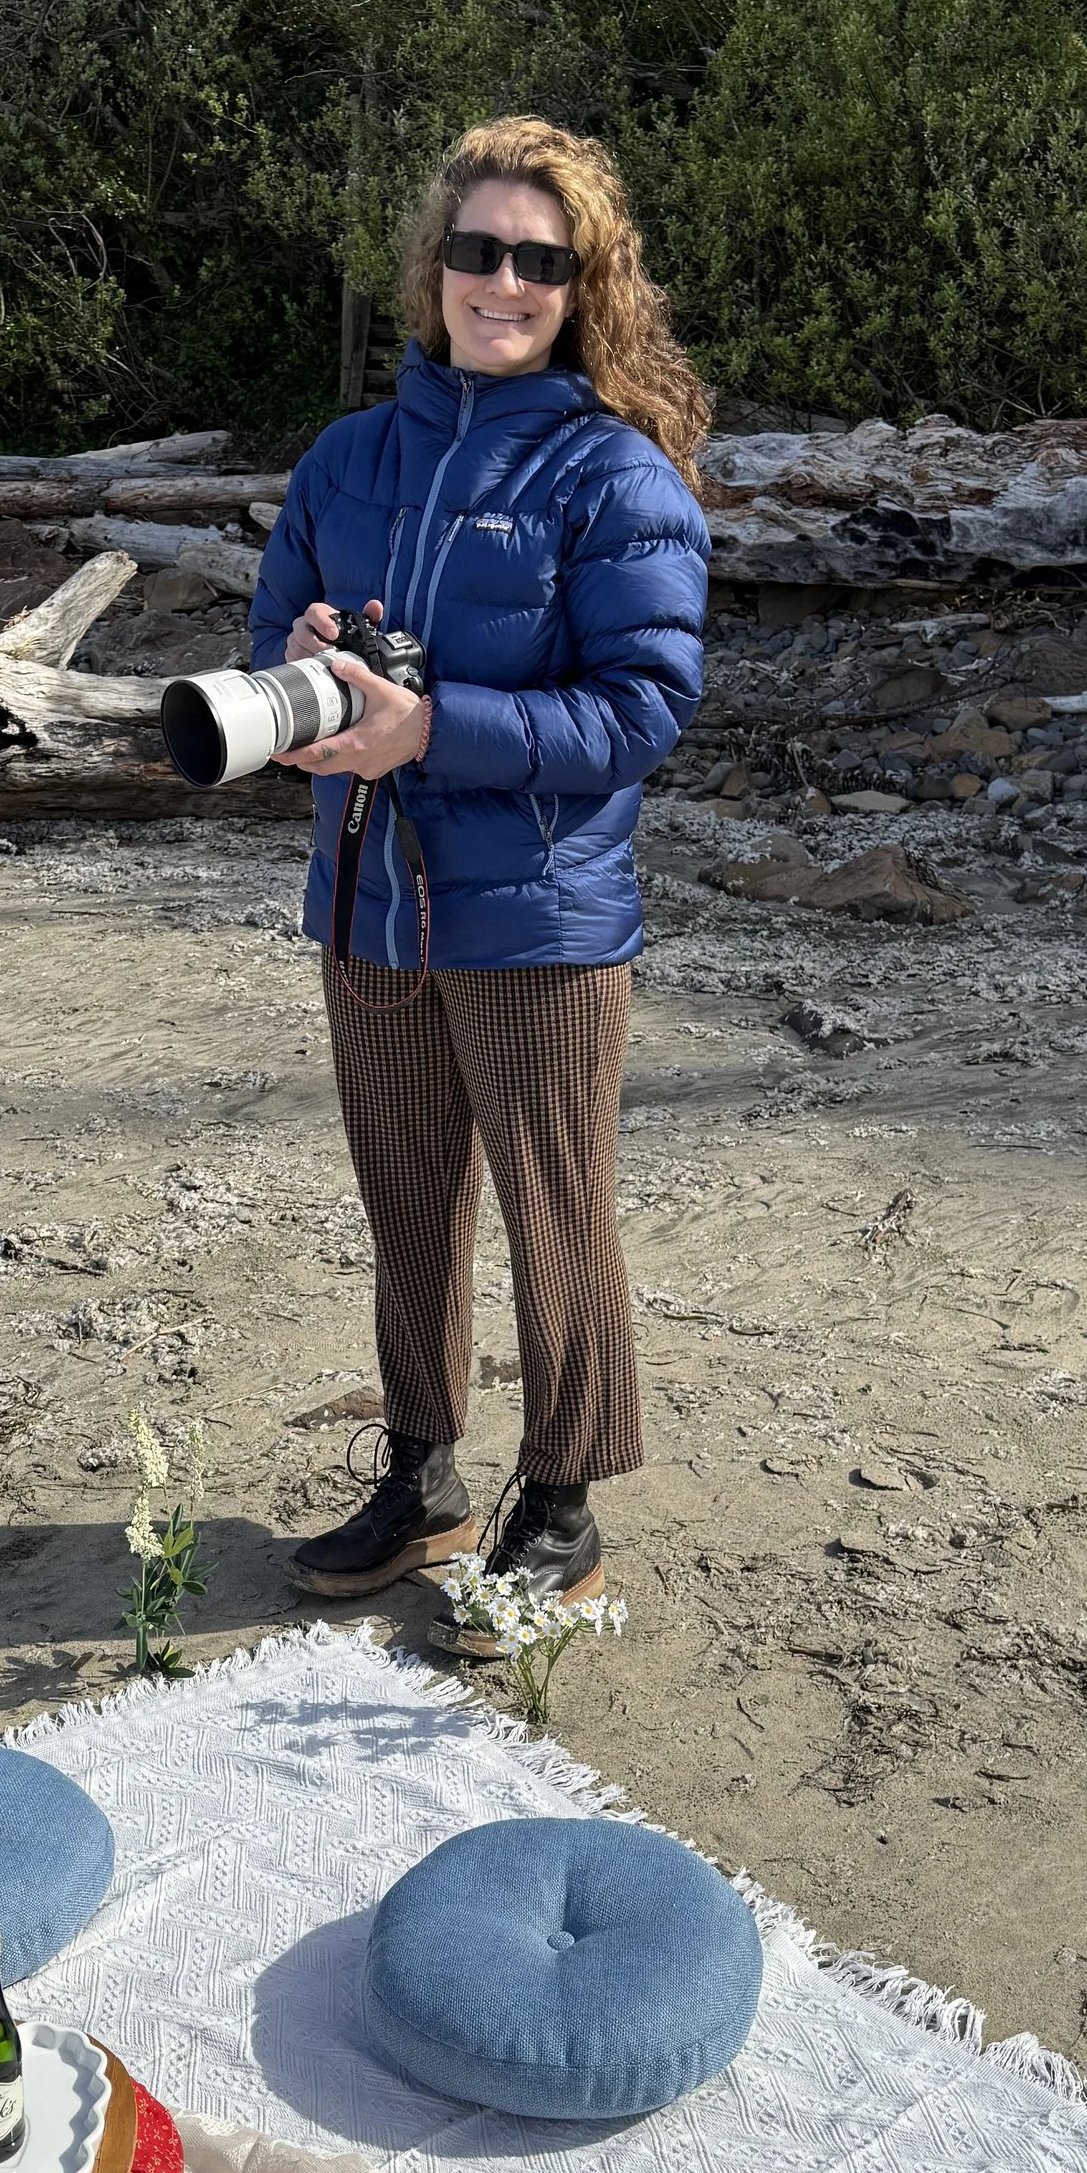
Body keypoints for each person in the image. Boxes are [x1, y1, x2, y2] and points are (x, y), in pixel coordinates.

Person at [247, 115, 712, 1655]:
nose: (500, 282)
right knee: (408, 1205)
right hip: (370, 905)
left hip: (543, 921)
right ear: (432, 267)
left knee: (555, 1214)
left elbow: (642, 712)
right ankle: (422, 1477)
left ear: (582, 285)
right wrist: (304, 685)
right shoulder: (348, 459)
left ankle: (562, 1510)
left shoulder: (613, 474)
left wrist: (432, 730)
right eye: (476, 252)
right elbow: (270, 656)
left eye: (537, 259)